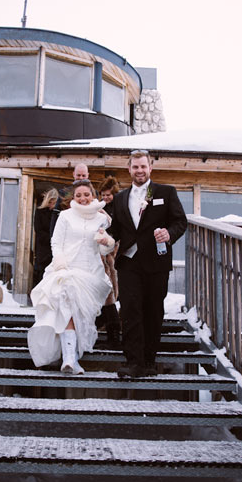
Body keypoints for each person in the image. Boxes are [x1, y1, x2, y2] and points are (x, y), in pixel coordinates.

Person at [107, 150, 187, 378]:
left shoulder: (165, 192)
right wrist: (104, 232)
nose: (139, 170)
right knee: (130, 311)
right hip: (128, 262)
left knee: (152, 311)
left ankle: (149, 362)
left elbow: (180, 221)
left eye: (143, 166)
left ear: (150, 168)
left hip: (156, 262)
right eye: (135, 167)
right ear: (129, 170)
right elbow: (117, 229)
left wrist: (169, 234)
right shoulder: (121, 198)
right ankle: (133, 362)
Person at [28, 179, 115, 374]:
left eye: (86, 194)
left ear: (93, 195)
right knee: (66, 308)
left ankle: (73, 355)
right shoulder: (65, 216)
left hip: (90, 273)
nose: (83, 198)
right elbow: (56, 242)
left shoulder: (101, 218)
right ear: (73, 198)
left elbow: (103, 248)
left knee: (81, 315)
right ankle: (69, 359)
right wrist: (59, 262)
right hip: (66, 268)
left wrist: (106, 241)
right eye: (78, 195)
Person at [96, 176, 121, 347]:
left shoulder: (119, 208)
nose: (105, 198)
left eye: (108, 195)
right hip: (101, 256)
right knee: (106, 294)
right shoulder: (99, 209)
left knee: (110, 294)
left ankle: (111, 330)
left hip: (113, 253)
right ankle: (110, 329)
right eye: (103, 195)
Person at [50, 163, 90, 236]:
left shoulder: (93, 194)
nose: (81, 178)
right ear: (73, 174)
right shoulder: (64, 193)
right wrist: (53, 238)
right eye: (78, 175)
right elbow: (55, 217)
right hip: (68, 233)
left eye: (83, 175)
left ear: (88, 175)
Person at [32, 188, 59, 289]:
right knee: (41, 273)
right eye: (50, 202)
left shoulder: (58, 213)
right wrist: (51, 239)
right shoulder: (40, 212)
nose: (52, 205)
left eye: (54, 202)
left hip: (54, 248)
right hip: (43, 248)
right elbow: (38, 230)